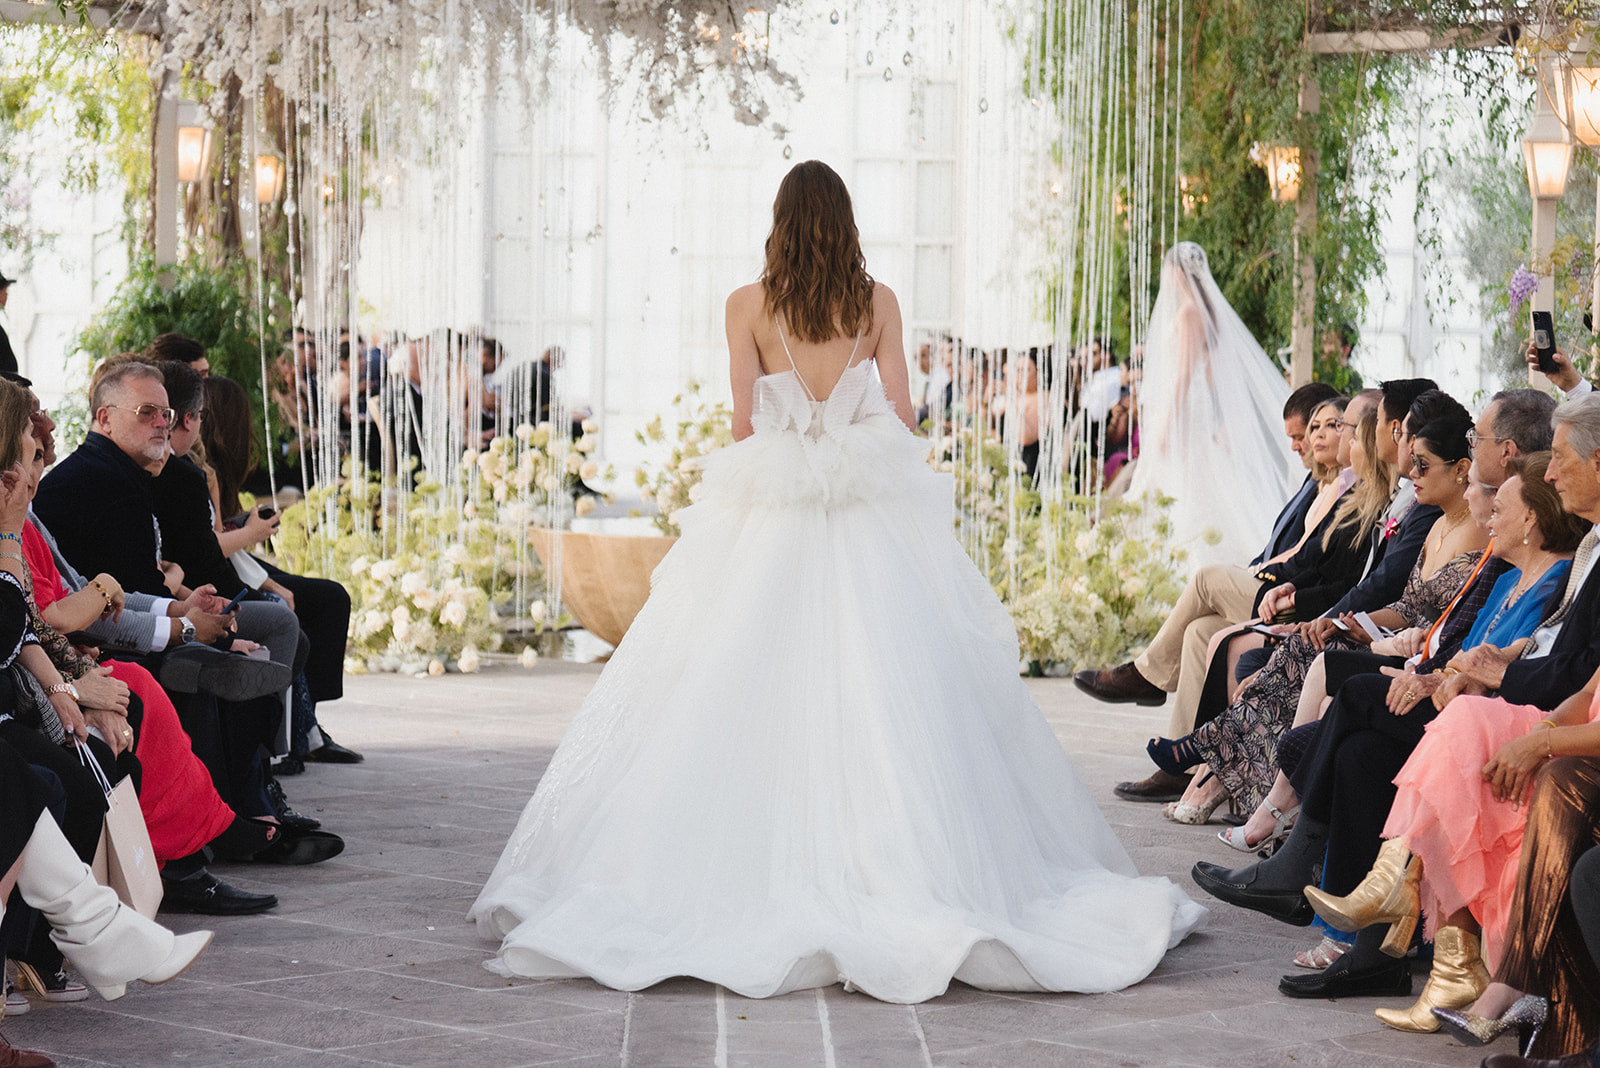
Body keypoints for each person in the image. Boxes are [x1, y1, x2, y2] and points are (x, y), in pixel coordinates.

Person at [470, 161, 1205, 1002]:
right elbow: (900, 412)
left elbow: (744, 424)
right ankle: (907, 868)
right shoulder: (877, 301)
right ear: (845, 221)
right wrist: (847, 436)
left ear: (780, 221)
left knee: (731, 675)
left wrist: (797, 440)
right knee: (887, 683)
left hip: (775, 513)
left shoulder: (745, 306)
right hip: (865, 516)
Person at [1192, 393, 1600, 1002]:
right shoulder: (1569, 554)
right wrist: (1451, 670)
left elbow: (1571, 668)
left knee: (1355, 692)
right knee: (1358, 752)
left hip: (1512, 713)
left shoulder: (1559, 562)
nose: (1551, 471)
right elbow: (1540, 652)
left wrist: (1479, 677)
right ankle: (1368, 953)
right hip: (1482, 695)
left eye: (1560, 459)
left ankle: (1295, 855)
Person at [1149, 411, 1486, 818]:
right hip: (1388, 637)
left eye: (1423, 464)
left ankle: (1218, 758)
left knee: (1306, 654)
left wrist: (1364, 630)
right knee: (1306, 642)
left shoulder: (1478, 532)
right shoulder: (1438, 526)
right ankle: (1230, 771)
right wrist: (1344, 623)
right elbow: (1406, 605)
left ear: (1461, 469)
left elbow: (1450, 619)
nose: (1412, 472)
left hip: (1420, 655)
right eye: (1412, 461)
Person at [1128, 242, 1297, 569]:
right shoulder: (1202, 311)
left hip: (1186, 407)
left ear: (1178, 273)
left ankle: (1189, 558)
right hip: (1196, 404)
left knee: (1188, 478)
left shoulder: (1189, 312)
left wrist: (1168, 422)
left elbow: (1185, 371)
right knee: (1197, 476)